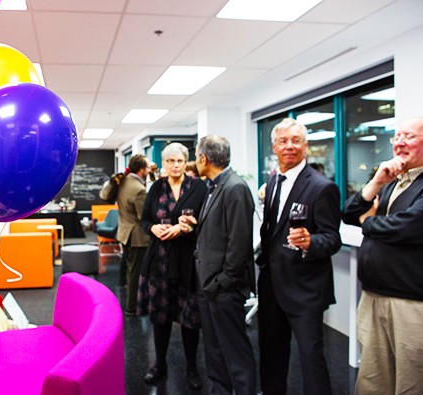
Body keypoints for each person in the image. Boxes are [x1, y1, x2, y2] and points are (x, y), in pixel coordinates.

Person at [256, 118, 341, 395]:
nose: (289, 146)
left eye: (296, 141)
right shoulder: (272, 182)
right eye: (283, 141)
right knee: (271, 356)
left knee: (310, 359)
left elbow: (332, 239)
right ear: (274, 147)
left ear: (305, 146)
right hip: (271, 286)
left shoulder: (321, 187)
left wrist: (310, 241)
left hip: (305, 289)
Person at [342, 117, 423, 394]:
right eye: (396, 136)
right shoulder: (391, 180)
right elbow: (349, 213)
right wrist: (376, 182)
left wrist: (369, 222)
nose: (400, 142)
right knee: (373, 381)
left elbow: (408, 227)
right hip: (375, 294)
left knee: (410, 382)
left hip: (410, 304)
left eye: (409, 136)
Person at [179, 135, 257, 394]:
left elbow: (239, 243)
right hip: (208, 284)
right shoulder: (214, 186)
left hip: (223, 287)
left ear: (203, 159)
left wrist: (221, 282)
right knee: (213, 348)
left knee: (235, 350)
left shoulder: (235, 188)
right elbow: (220, 233)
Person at [137, 143, 207, 390]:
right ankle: (159, 365)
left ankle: (191, 367)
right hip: (160, 261)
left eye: (179, 161)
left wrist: (186, 228)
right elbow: (145, 219)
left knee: (190, 319)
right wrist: (152, 228)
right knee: (161, 318)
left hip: (187, 260)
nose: (175, 166)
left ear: (185, 162)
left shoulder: (198, 187)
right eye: (170, 161)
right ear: (163, 164)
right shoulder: (156, 187)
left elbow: (205, 222)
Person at [116, 154, 150, 316]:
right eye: (148, 167)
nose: (150, 169)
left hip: (124, 232)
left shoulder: (124, 182)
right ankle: (132, 307)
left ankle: (131, 304)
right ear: (142, 170)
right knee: (136, 273)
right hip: (137, 237)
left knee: (130, 270)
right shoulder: (139, 189)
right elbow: (143, 217)